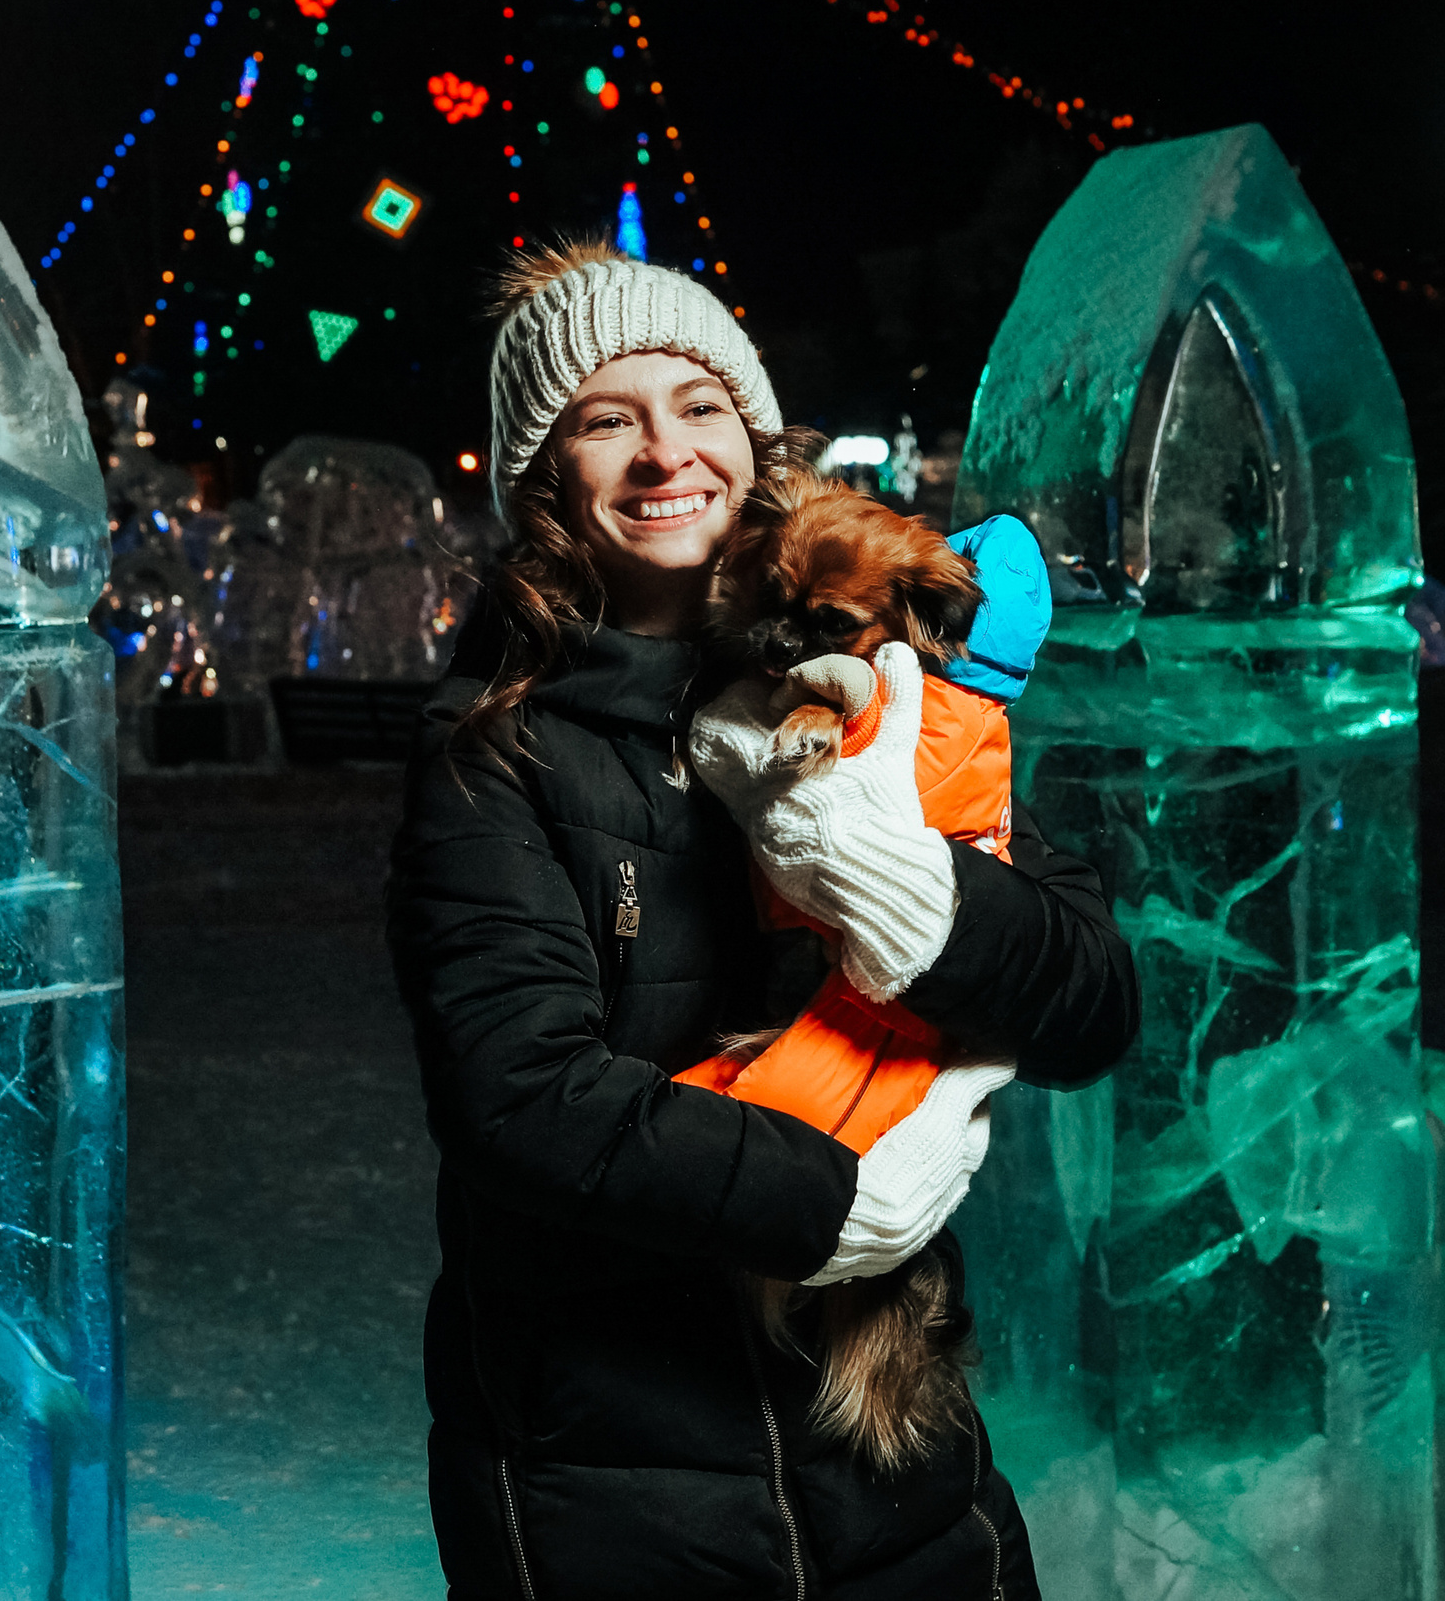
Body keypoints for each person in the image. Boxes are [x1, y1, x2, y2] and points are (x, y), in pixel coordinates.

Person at [386, 240, 1137, 1600]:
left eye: (698, 405)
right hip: (613, 1481)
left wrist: (921, 901)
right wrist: (831, 1201)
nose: (665, 451)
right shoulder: (491, 750)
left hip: (900, 1457)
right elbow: (521, 1098)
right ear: (541, 477)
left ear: (751, 431)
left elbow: (1093, 999)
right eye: (606, 419)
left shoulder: (889, 663)